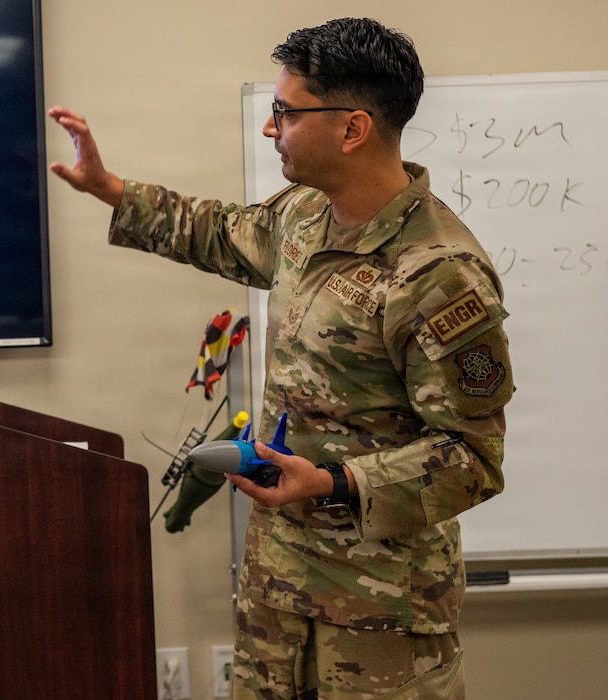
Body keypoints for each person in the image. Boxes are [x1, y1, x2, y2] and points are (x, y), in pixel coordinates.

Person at [48, 17, 512, 700]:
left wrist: (331, 481)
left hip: (378, 613)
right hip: (277, 587)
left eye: (285, 113)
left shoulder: (439, 274)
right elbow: (222, 231)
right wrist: (110, 187)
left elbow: (473, 460)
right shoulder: (305, 214)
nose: (271, 128)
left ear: (352, 129)